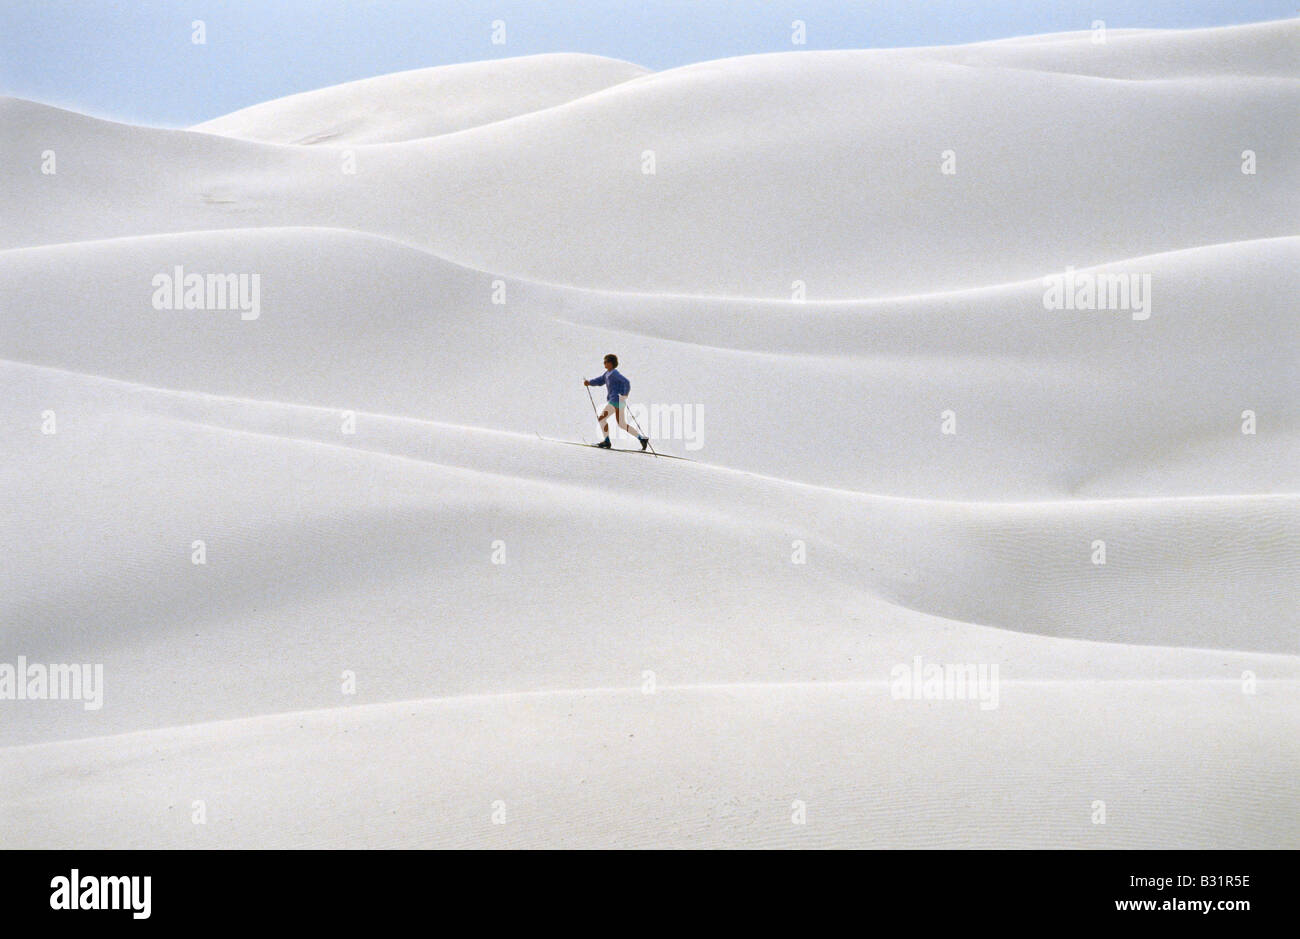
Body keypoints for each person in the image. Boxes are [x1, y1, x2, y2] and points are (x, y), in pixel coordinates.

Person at [584, 354, 650, 450]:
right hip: (617, 401)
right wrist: (589, 382)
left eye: (606, 362)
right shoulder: (607, 373)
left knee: (602, 418)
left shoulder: (614, 373)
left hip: (616, 400)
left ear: (611, 363)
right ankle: (642, 438)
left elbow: (626, 382)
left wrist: (625, 394)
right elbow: (600, 381)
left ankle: (607, 441)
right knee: (621, 424)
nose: (604, 363)